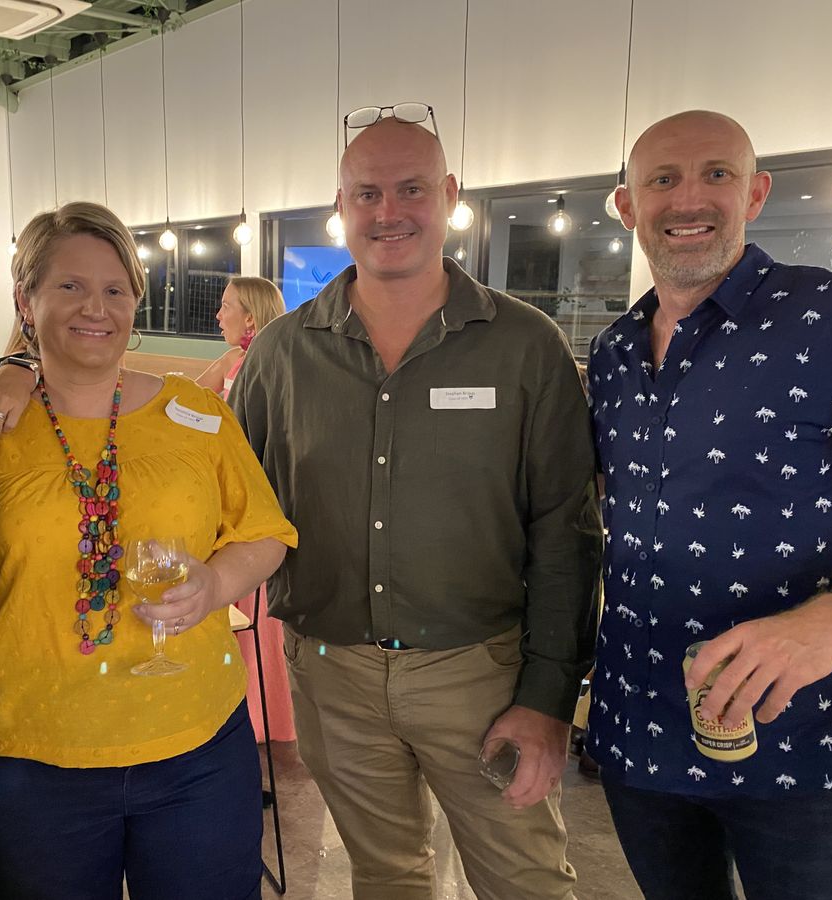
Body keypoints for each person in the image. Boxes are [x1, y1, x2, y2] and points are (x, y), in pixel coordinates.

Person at [230, 110, 603, 899]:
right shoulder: (282, 353)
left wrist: (548, 700)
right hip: (330, 675)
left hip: (482, 676)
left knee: (527, 882)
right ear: (341, 205)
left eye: (412, 189)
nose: (388, 211)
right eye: (367, 193)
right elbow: (228, 499)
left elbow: (566, 534)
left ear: (451, 196)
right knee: (386, 878)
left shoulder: (524, 345)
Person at [587, 109, 832, 900]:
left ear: (755, 193)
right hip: (638, 734)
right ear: (627, 206)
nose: (690, 199)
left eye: (716, 174)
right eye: (663, 179)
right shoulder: (614, 352)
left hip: (797, 746)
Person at [0, 201, 297, 900]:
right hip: (32, 750)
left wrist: (214, 584)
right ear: (24, 299)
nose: (97, 308)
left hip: (196, 745)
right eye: (70, 286)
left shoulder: (196, 414)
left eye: (116, 289)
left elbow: (265, 532)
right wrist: (14, 369)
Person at [196, 276, 296, 743]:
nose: (218, 316)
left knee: (251, 604)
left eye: (226, 306)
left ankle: (250, 711)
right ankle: (251, 708)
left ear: (250, 316)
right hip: (242, 496)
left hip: (251, 501)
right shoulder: (238, 360)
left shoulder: (262, 362)